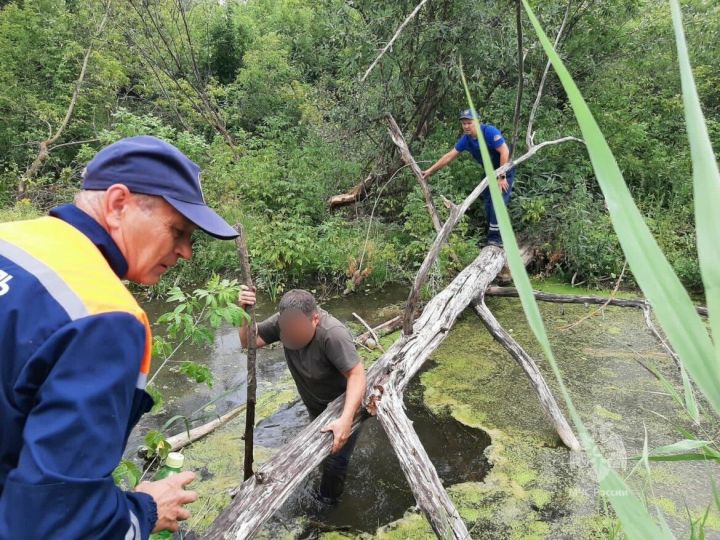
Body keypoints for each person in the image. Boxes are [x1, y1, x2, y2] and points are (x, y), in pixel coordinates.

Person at [0, 136, 239, 539]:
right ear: (117, 204)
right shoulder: (106, 316)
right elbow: (58, 523)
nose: (186, 253)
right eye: (178, 231)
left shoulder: (12, 239)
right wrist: (146, 510)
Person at [238, 288, 367, 504]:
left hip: (343, 406)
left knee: (336, 463)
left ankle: (328, 508)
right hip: (315, 406)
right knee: (322, 457)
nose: (290, 337)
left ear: (315, 319)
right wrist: (243, 314)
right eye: (287, 332)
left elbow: (357, 374)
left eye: (297, 331)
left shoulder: (332, 334)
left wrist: (345, 420)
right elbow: (248, 342)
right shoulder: (283, 323)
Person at [423, 109, 516, 247]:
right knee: (489, 203)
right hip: (490, 173)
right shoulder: (466, 139)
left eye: (469, 123)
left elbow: (504, 151)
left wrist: (502, 176)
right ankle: (492, 236)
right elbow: (449, 156)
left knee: (498, 202)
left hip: (504, 170)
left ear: (477, 122)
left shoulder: (489, 132)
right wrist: (429, 171)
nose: (466, 126)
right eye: (464, 123)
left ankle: (496, 239)